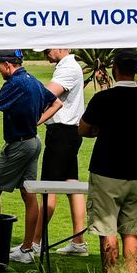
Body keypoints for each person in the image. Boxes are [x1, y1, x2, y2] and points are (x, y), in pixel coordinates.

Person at [0, 50, 57, 264]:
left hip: (19, 146)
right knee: (28, 193)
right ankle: (27, 249)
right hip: (33, 141)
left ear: (7, 65)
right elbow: (56, 103)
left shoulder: (14, 83)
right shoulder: (32, 80)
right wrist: (37, 121)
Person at [80, 50, 137, 273]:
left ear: (114, 68)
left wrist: (100, 129)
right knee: (130, 231)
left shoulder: (103, 98)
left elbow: (83, 129)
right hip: (133, 172)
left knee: (107, 230)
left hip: (106, 171)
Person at [37, 47, 89, 255]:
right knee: (72, 184)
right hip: (69, 132)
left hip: (62, 133)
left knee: (48, 188)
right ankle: (78, 242)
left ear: (61, 47)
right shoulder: (66, 66)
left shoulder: (67, 68)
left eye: (47, 50)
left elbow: (46, 95)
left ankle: (34, 243)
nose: (45, 54)